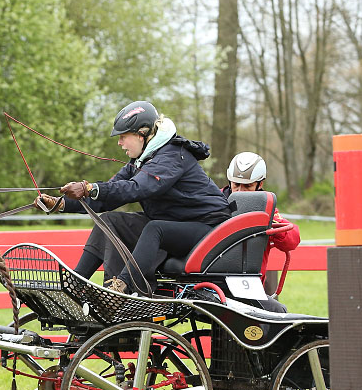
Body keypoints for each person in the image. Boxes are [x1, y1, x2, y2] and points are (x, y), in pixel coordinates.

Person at [38, 100, 232, 294]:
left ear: (142, 134)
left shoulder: (171, 155)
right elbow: (110, 194)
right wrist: (60, 204)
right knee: (107, 220)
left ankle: (123, 289)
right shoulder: (141, 160)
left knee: (155, 228)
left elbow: (139, 188)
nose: (119, 143)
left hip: (210, 229)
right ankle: (74, 285)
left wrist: (90, 187)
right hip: (174, 222)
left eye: (123, 137)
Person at [223, 151, 301, 306]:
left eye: (247, 186)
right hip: (217, 282)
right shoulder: (215, 201)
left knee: (278, 313)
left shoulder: (267, 208)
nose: (240, 191)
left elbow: (292, 240)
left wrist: (269, 221)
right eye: (236, 184)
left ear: (260, 184)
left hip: (248, 285)